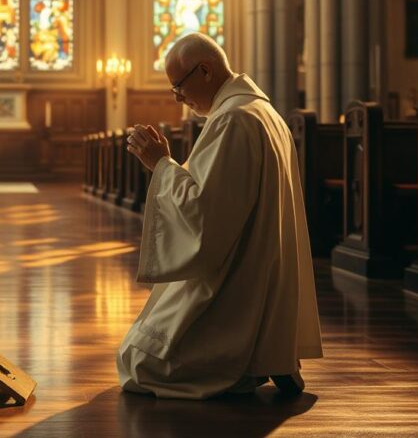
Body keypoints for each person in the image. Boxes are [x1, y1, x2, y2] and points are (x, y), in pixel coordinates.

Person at [118, 32, 322, 399]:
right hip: (258, 268)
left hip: (238, 282)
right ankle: (270, 356)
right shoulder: (263, 112)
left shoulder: (233, 119)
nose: (176, 97)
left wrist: (160, 165)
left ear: (206, 71)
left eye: (178, 86)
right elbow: (220, 199)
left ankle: (245, 362)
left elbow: (205, 218)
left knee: (139, 363)